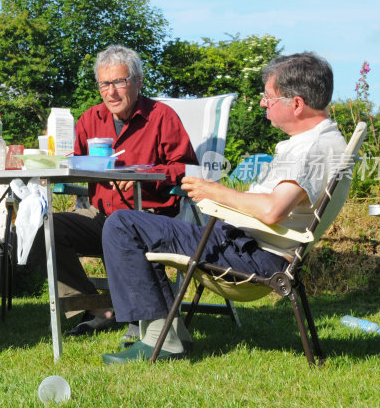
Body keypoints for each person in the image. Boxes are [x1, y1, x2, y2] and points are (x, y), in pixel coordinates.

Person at [100, 51, 347, 364]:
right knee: (137, 226)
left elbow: (273, 210)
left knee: (123, 225)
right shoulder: (321, 141)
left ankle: (161, 341)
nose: (262, 104)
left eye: (268, 97)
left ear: (296, 104)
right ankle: (168, 333)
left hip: (254, 256)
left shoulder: (312, 149)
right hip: (246, 243)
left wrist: (213, 191)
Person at [27, 45, 197, 336]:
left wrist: (147, 174)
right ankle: (96, 307)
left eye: (120, 82)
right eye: (105, 84)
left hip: (150, 216)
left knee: (122, 231)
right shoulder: (90, 119)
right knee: (42, 229)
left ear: (138, 81)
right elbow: (73, 161)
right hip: (101, 215)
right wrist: (51, 161)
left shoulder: (161, 117)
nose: (112, 92)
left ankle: (141, 316)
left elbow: (187, 168)